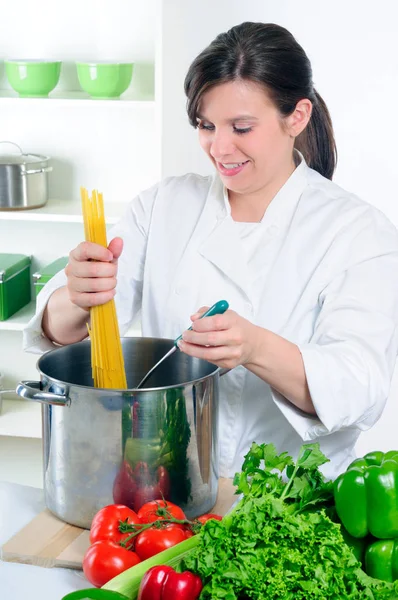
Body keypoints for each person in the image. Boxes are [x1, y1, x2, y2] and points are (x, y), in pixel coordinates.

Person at [24, 22, 398, 480]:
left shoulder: (357, 231)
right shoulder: (163, 206)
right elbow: (68, 334)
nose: (220, 148)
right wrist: (77, 295)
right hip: (168, 488)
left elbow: (359, 388)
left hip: (293, 499)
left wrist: (256, 346)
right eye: (206, 125)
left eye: (242, 127)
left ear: (296, 117)